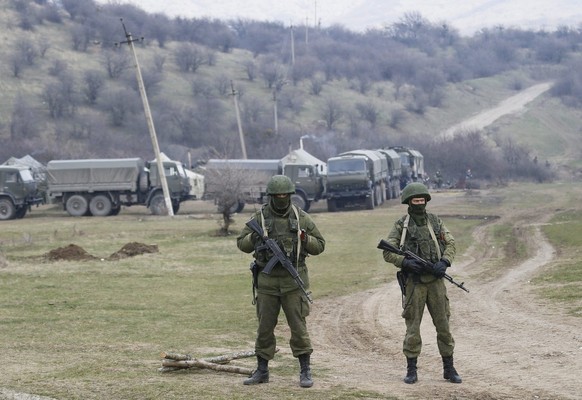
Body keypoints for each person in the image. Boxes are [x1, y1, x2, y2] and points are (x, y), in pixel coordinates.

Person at [236, 175, 325, 388]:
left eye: (285, 195)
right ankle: (262, 370)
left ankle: (305, 371)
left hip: (293, 283)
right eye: (277, 195)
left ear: (290, 195)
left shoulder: (300, 217)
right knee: (265, 328)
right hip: (267, 283)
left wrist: (304, 238)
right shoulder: (260, 217)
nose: (281, 198)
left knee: (299, 328)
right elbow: (242, 243)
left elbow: (320, 245)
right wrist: (255, 239)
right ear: (271, 196)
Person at [381, 182, 462, 384]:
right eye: (415, 200)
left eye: (422, 200)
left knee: (443, 325)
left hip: (435, 282)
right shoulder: (401, 225)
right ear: (408, 202)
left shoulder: (435, 222)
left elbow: (451, 243)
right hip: (414, 283)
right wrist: (405, 262)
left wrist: (444, 262)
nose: (419, 203)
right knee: (413, 327)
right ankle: (411, 370)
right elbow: (387, 251)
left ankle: (449, 368)